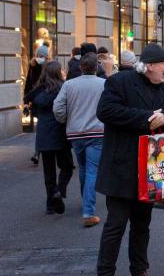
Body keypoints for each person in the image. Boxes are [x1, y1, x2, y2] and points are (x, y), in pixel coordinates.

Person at [95, 43, 164, 276]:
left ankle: (140, 269)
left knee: (142, 225)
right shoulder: (120, 82)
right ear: (149, 66)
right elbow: (105, 111)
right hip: (121, 169)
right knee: (115, 226)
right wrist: (146, 119)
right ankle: (106, 271)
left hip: (150, 171)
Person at [53, 53, 106, 227]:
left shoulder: (69, 85)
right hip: (97, 132)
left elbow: (58, 108)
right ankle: (88, 211)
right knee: (91, 170)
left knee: (83, 168)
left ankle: (86, 202)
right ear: (96, 68)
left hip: (76, 133)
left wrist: (66, 120)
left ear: (81, 67)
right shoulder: (104, 84)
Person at [24, 60, 74, 214]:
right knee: (67, 167)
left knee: (49, 172)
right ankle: (59, 191)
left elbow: (28, 99)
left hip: (44, 135)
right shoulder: (63, 89)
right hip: (60, 134)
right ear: (58, 72)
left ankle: (50, 205)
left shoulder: (39, 90)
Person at [26, 45, 49, 165]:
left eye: (42, 56)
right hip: (36, 101)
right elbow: (28, 84)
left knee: (41, 128)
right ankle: (39, 151)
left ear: (46, 57)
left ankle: (38, 152)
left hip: (46, 101)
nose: (39, 57)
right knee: (41, 128)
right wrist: (25, 102)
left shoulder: (49, 67)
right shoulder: (32, 65)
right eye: (38, 55)